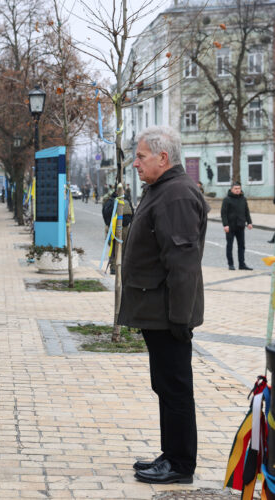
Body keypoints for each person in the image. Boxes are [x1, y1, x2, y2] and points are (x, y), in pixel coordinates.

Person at [118, 125, 208, 485]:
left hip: (169, 313)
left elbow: (182, 263)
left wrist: (179, 318)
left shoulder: (175, 196)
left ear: (163, 157)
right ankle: (170, 454)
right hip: (158, 310)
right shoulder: (162, 190)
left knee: (175, 388)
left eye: (140, 156)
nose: (135, 163)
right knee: (166, 386)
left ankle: (180, 464)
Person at [221, 181, 253, 270]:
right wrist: (225, 225)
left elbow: (246, 211)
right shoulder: (227, 199)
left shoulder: (243, 199)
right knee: (230, 245)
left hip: (240, 226)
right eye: (235, 189)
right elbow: (223, 213)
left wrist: (249, 222)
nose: (237, 190)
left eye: (239, 188)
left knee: (241, 246)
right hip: (230, 227)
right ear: (231, 189)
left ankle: (242, 264)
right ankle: (231, 264)